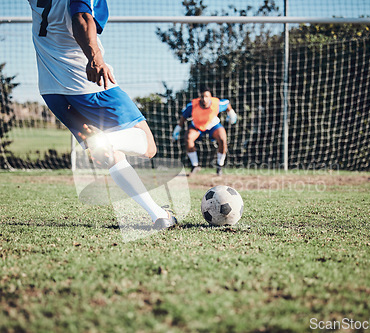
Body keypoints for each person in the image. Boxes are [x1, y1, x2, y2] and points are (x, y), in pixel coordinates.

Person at [28, 0, 176, 230]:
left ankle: (158, 215)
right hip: (87, 83)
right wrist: (95, 58)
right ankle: (104, 139)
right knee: (147, 144)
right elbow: (81, 17)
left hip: (51, 88)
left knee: (110, 154)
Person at [172, 86, 237, 176]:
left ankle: (219, 166)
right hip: (197, 126)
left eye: (207, 96)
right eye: (202, 96)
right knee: (188, 138)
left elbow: (227, 103)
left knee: (223, 139)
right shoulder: (192, 106)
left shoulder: (216, 103)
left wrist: (232, 114)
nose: (204, 99)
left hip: (213, 125)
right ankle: (195, 165)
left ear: (210, 97)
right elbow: (183, 118)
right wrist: (177, 130)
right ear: (200, 97)